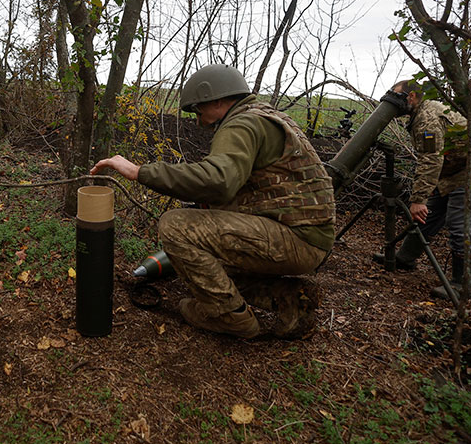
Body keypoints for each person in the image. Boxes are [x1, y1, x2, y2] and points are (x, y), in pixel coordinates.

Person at [90, 64, 335, 338]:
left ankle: (230, 318)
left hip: (294, 240)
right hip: (307, 239)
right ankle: (290, 300)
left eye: (199, 109)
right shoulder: (265, 117)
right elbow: (254, 187)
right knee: (207, 267)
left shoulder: (242, 124)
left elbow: (218, 180)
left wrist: (140, 172)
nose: (198, 120)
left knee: (176, 226)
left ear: (217, 100)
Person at [378, 79, 471, 299]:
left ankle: (463, 285)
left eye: (398, 96)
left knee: (459, 224)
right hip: (453, 174)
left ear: (411, 97)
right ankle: (405, 257)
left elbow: (431, 160)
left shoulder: (427, 119)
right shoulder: (423, 112)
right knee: (428, 216)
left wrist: (419, 198)